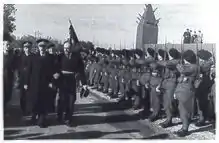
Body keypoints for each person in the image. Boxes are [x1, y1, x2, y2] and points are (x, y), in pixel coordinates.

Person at [25, 38, 56, 128]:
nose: (42, 48)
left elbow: (53, 71)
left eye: (43, 46)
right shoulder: (33, 57)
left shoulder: (50, 58)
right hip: (34, 83)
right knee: (35, 101)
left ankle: (41, 120)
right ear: (37, 47)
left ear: (46, 47)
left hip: (46, 84)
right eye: (40, 46)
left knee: (44, 101)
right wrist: (26, 83)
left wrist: (52, 82)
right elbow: (28, 71)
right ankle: (34, 116)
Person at [56, 40, 87, 126]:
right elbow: (55, 68)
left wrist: (84, 84)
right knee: (62, 99)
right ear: (63, 48)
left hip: (72, 81)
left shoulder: (76, 58)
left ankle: (68, 118)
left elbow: (81, 71)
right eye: (65, 48)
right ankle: (59, 115)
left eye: (68, 48)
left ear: (71, 48)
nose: (66, 50)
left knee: (71, 100)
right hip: (62, 80)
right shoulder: (59, 57)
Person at [174, 50, 198, 137]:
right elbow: (179, 79)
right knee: (182, 110)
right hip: (182, 91)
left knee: (185, 111)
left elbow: (182, 70)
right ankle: (184, 127)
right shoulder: (188, 66)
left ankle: (185, 129)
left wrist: (178, 64)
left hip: (187, 91)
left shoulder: (193, 67)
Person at [18, 41, 34, 115]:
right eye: (26, 47)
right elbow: (18, 68)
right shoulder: (20, 57)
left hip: (31, 79)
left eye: (29, 47)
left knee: (30, 95)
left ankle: (30, 110)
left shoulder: (34, 57)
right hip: (22, 78)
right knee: (22, 95)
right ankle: (23, 109)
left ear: (31, 48)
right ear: (24, 48)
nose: (27, 49)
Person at [3, 40, 15, 114]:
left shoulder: (11, 55)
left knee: (7, 93)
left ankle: (5, 108)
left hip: (9, 77)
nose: (8, 46)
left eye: (9, 45)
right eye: (6, 44)